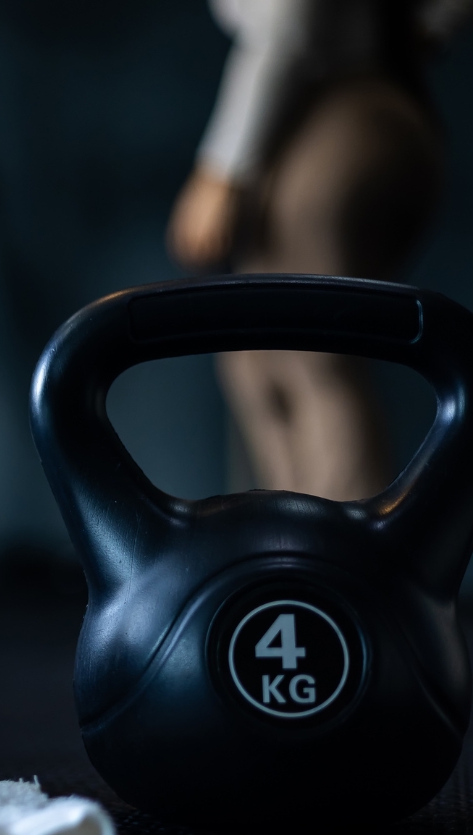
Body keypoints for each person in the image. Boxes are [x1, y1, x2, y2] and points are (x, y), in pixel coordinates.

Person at [167, 0, 469, 501]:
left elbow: (288, 22)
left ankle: (344, 547)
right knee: (253, 361)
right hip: (332, 114)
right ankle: (297, 543)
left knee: (307, 354)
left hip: (347, 110)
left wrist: (222, 168)